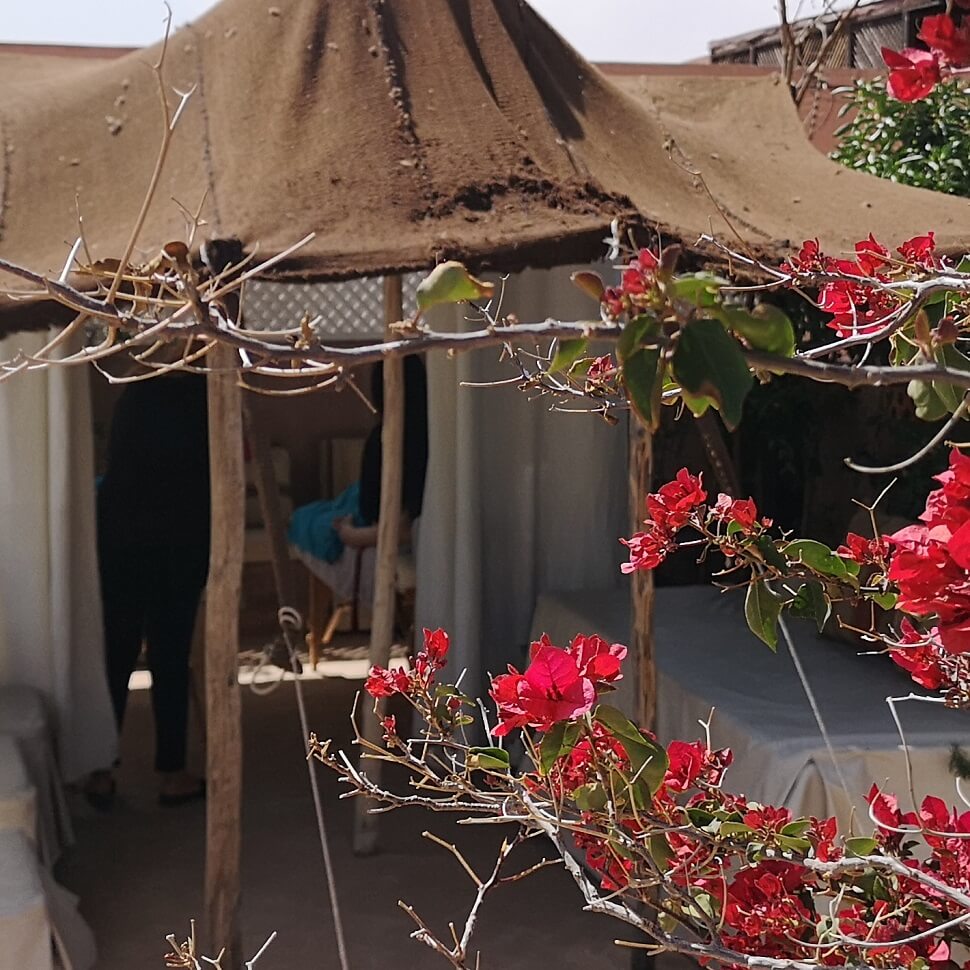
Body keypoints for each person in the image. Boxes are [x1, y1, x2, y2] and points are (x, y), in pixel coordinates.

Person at [87, 371, 210, 808]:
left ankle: (99, 767)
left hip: (122, 533)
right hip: (178, 536)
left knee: (116, 654)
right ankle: (172, 772)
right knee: (170, 656)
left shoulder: (136, 391)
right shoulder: (203, 395)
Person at [288, 356, 428, 595]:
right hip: (373, 514)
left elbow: (399, 531)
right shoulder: (438, 432)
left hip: (379, 528)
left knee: (309, 523)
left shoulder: (387, 440)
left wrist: (348, 534)